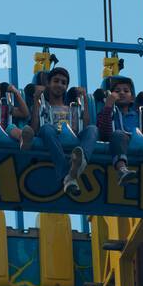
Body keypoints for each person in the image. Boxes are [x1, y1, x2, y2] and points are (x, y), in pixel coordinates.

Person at [96, 76, 143, 185]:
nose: (121, 93)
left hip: (141, 141)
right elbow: (104, 133)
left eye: (126, 91)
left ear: (132, 98)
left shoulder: (140, 113)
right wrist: (108, 106)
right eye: (117, 91)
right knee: (118, 134)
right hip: (119, 141)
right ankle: (122, 169)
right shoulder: (108, 112)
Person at [31, 67, 93, 196]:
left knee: (93, 129)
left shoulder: (73, 108)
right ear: (48, 84)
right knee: (47, 129)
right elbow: (35, 128)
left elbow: (85, 125)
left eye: (63, 83)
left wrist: (84, 99)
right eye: (56, 81)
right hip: (52, 135)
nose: (59, 85)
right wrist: (36, 100)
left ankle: (79, 163)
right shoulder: (44, 107)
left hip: (72, 136)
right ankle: (68, 174)